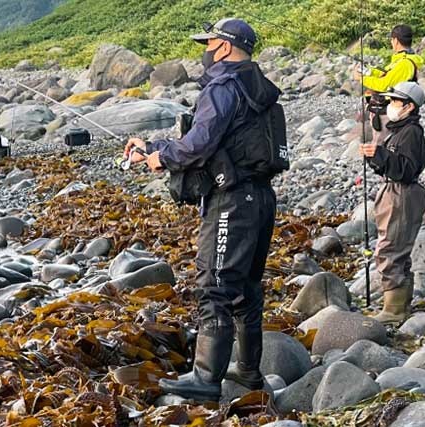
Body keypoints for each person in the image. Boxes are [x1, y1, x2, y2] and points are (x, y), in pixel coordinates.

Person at [124, 18, 281, 402]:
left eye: (209, 43)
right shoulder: (257, 87)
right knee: (245, 289)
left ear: (225, 47)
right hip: (260, 198)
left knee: (215, 286)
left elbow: (200, 143)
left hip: (231, 201)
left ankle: (207, 379)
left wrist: (164, 158)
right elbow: (221, 139)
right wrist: (154, 146)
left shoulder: (224, 85)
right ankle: (247, 374)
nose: (205, 50)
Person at [359, 82, 425, 325]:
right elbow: (393, 164)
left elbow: (406, 169)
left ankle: (395, 310)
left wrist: (379, 154)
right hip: (395, 191)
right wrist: (375, 155)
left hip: (402, 194)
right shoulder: (401, 130)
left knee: (390, 249)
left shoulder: (411, 132)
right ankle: (400, 304)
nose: (391, 106)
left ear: (409, 106)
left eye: (395, 102)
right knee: (397, 247)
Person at [354, 24, 423, 145]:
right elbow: (387, 74)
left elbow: (384, 85)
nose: (391, 42)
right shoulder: (401, 60)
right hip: (390, 109)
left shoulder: (405, 63)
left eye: (392, 40)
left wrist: (362, 79)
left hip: (391, 111)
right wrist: (370, 71)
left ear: (396, 41)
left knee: (383, 146)